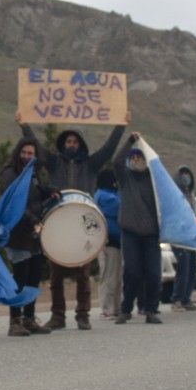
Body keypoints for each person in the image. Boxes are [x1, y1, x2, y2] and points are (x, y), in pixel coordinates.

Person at [16, 122, 124, 327]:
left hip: (83, 223)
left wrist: (120, 125)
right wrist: (24, 126)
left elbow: (109, 148)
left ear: (81, 144)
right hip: (59, 222)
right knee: (56, 274)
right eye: (68, 141)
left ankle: (82, 316)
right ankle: (58, 316)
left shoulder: (92, 164)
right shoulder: (55, 163)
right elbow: (36, 146)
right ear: (63, 143)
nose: (71, 144)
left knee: (83, 273)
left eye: (75, 141)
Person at [0, 137, 55, 336]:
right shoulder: (10, 172)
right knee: (19, 279)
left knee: (34, 277)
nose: (26, 156)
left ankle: (29, 318)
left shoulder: (33, 173)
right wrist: (32, 219)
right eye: (24, 152)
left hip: (34, 233)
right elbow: (13, 202)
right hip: (17, 231)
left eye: (30, 153)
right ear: (18, 152)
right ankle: (15, 321)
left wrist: (51, 193)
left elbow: (38, 194)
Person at [113, 135, 163, 324]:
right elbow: (116, 161)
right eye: (133, 158)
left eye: (140, 158)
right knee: (132, 272)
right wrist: (129, 143)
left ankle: (151, 310)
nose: (136, 161)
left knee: (153, 273)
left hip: (151, 234)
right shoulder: (125, 178)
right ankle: (126, 310)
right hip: (130, 233)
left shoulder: (155, 180)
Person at [168, 165, 196, 312]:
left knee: (192, 266)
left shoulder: (190, 193)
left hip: (190, 233)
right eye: (183, 175)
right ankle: (177, 299)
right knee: (183, 265)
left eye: (188, 174)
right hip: (179, 234)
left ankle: (187, 298)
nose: (186, 177)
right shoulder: (174, 195)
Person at [93, 169, 121, 326]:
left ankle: (115, 307)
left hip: (114, 241)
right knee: (109, 276)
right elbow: (120, 207)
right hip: (108, 241)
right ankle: (107, 308)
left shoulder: (106, 195)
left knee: (115, 276)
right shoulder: (105, 197)